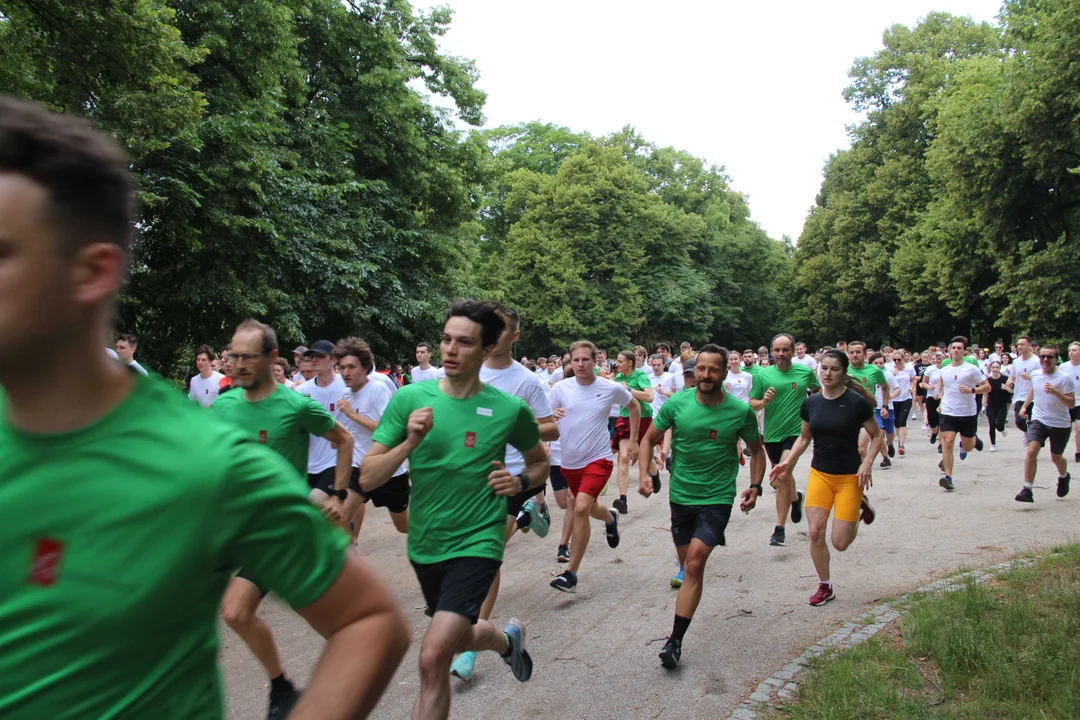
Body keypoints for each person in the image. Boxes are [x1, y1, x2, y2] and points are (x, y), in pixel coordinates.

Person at [0, 97, 407, 720]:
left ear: (91, 271)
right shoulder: (216, 414)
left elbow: (369, 622)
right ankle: (277, 680)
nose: (235, 364)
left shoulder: (206, 462)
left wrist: (342, 490)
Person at [362, 300, 546, 720]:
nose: (450, 349)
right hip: (426, 542)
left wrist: (518, 482)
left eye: (464, 342)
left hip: (479, 540)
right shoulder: (410, 398)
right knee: (461, 635)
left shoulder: (507, 408)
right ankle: (505, 642)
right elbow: (370, 476)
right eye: (446, 339)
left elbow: (539, 462)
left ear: (486, 352)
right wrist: (408, 444)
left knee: (432, 659)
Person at [213, 322, 357, 716]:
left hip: (284, 531)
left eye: (248, 357)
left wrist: (339, 494)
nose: (238, 364)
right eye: (233, 355)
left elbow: (343, 440)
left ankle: (340, 687)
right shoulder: (223, 406)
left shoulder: (295, 406)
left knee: (336, 623)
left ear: (272, 358)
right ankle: (282, 688)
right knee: (236, 613)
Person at [638, 344, 766, 668]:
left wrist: (754, 486)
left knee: (693, 566)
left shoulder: (740, 412)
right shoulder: (678, 404)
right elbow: (647, 438)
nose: (706, 375)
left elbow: (757, 450)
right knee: (687, 563)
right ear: (695, 373)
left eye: (713, 369)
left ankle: (674, 641)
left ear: (725, 373)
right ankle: (707, 539)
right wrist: (644, 473)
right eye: (701, 370)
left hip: (717, 497)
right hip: (681, 495)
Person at [451, 305, 560, 682]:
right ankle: (532, 517)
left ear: (514, 337)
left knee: (486, 556)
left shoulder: (526, 381)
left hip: (511, 476)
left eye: (503, 330)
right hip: (467, 479)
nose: (494, 335)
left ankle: (470, 643)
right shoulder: (465, 368)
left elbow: (550, 430)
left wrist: (511, 424)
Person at [769, 350, 882, 606]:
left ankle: (857, 507)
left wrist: (866, 463)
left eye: (834, 369)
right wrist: (786, 463)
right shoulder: (812, 403)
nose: (828, 374)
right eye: (824, 369)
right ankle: (825, 585)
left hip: (849, 478)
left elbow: (877, 436)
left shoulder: (856, 403)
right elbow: (804, 437)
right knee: (815, 533)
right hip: (820, 474)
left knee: (840, 543)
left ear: (843, 373)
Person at [547, 341, 641, 593]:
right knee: (588, 508)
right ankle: (610, 518)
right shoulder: (560, 389)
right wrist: (549, 420)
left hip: (598, 459)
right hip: (569, 463)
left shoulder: (609, 388)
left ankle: (571, 574)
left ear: (595, 361)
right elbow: (543, 418)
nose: (579, 364)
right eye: (575, 360)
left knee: (579, 509)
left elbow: (634, 406)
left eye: (585, 360)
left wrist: (632, 441)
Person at [332, 337, 410, 540]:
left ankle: (443, 534)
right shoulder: (345, 394)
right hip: (358, 467)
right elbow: (344, 432)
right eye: (341, 367)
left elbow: (391, 431)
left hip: (388, 470)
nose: (346, 373)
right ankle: (349, 561)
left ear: (365, 366)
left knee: (404, 526)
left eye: (351, 367)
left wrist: (353, 416)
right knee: (340, 518)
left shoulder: (377, 389)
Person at [748, 333, 819, 547]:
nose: (781, 354)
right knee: (783, 476)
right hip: (771, 434)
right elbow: (752, 402)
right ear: (771, 351)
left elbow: (816, 392)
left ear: (793, 350)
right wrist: (764, 401)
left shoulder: (804, 372)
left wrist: (814, 413)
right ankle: (795, 498)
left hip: (797, 432)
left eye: (785, 350)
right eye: (777, 350)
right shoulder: (763, 374)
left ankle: (779, 529)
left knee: (782, 474)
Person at [295, 340, 357, 522]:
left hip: (335, 463)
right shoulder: (301, 391)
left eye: (320, 356)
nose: (315, 360)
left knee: (311, 505)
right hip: (308, 464)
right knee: (332, 519)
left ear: (332, 360)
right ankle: (348, 545)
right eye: (312, 356)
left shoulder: (347, 388)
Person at [1015, 345, 1075, 502]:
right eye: (1042, 357)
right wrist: (1024, 406)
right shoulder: (1035, 374)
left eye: (1050, 357)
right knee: (1031, 450)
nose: (1045, 360)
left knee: (1056, 457)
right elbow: (1034, 390)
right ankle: (1027, 489)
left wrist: (1056, 392)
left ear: (1056, 359)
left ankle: (1064, 476)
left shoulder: (1064, 378)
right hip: (1039, 419)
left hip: (1060, 423)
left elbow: (1071, 403)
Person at [934, 336, 989, 491]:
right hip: (948, 412)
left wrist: (972, 390)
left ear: (964, 351)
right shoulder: (944, 370)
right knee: (948, 442)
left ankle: (973, 441)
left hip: (967, 413)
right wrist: (940, 403)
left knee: (968, 446)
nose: (956, 350)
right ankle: (948, 477)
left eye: (959, 348)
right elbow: (947, 390)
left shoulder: (971, 369)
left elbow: (987, 387)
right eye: (954, 348)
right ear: (949, 351)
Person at [612, 350, 655, 515]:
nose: (617, 364)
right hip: (624, 418)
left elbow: (649, 397)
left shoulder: (639, 376)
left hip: (643, 418)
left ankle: (655, 474)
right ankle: (622, 499)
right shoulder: (618, 378)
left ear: (630, 362)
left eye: (620, 361)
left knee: (644, 452)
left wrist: (628, 390)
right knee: (623, 458)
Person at [869, 352, 899, 468]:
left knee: (890, 433)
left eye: (881, 363)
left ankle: (890, 444)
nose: (878, 365)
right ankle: (885, 457)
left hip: (887, 407)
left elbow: (897, 389)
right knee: (879, 433)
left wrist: (890, 396)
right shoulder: (868, 375)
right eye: (876, 363)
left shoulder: (888, 375)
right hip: (874, 408)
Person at [1007, 336, 1040, 433]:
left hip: (1034, 397)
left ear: (1029, 345)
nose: (1019, 347)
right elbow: (1012, 376)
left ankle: (1032, 437)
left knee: (1033, 421)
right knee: (1019, 422)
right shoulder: (1016, 362)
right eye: (1018, 344)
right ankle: (1027, 432)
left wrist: (1030, 377)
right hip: (1019, 396)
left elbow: (1042, 378)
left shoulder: (1037, 361)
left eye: (1022, 344)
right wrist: (1009, 381)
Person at [889, 350, 916, 456]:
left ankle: (901, 445)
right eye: (894, 359)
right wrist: (893, 374)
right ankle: (900, 440)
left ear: (904, 359)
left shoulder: (909, 369)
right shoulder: (890, 369)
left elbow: (913, 379)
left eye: (899, 359)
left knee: (902, 421)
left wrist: (912, 387)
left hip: (906, 397)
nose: (896, 362)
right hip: (893, 398)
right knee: (896, 422)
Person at [985, 361, 1012, 450]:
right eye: (993, 367)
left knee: (999, 425)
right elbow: (985, 394)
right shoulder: (988, 380)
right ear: (991, 368)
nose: (995, 369)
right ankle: (993, 444)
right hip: (991, 405)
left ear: (1000, 368)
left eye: (997, 367)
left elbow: (1012, 391)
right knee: (992, 425)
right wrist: (983, 406)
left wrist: (1006, 388)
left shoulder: (1005, 379)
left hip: (1002, 405)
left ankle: (1002, 429)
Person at [1065, 341, 1080, 463]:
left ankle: (1078, 453)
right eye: (1070, 350)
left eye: (1074, 350)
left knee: (1079, 429)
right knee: (1064, 429)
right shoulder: (1064, 367)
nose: (1071, 352)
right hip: (1067, 401)